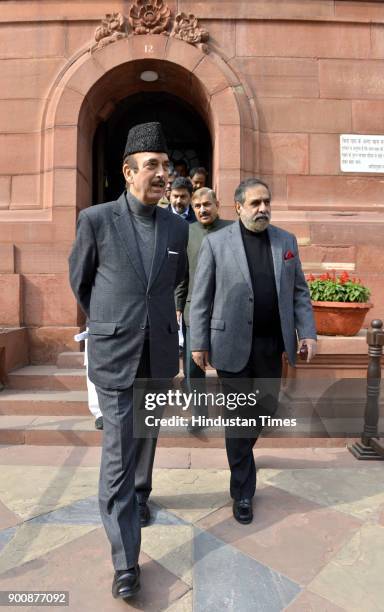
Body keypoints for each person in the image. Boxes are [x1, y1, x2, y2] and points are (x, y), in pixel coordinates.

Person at [69, 122, 188, 600]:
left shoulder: (178, 226)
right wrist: (109, 321)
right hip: (116, 354)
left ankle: (141, 495)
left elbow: (172, 283)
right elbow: (82, 282)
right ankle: (126, 561)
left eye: (166, 165)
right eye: (152, 166)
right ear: (128, 171)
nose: (162, 174)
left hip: (157, 356)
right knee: (117, 458)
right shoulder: (96, 220)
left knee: (146, 438)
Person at [189, 178, 317, 525]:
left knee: (263, 410)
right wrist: (199, 341)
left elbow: (299, 293)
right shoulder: (217, 243)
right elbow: (201, 296)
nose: (263, 209)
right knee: (238, 420)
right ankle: (242, 492)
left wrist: (307, 333)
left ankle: (243, 453)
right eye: (256, 203)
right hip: (230, 346)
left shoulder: (285, 241)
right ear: (239, 207)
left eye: (267, 203)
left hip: (271, 346)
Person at [175, 187, 232, 432]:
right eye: (197, 206)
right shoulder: (187, 233)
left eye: (207, 205)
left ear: (217, 204)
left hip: (226, 311)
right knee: (191, 368)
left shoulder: (233, 230)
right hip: (193, 312)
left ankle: (234, 413)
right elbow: (182, 274)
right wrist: (178, 306)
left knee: (229, 366)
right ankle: (200, 415)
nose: (202, 210)